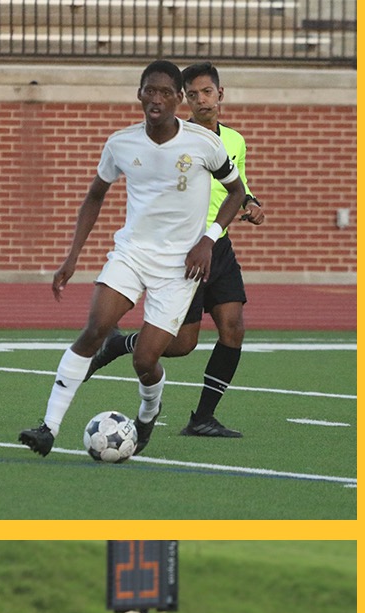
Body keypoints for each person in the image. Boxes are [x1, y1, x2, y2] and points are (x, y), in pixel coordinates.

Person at [19, 61, 246, 459]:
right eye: (149, 91)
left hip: (181, 267)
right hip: (131, 253)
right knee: (93, 330)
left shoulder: (204, 144)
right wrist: (72, 257)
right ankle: (47, 428)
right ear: (139, 94)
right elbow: (95, 196)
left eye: (164, 92)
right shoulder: (121, 143)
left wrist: (208, 241)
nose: (156, 99)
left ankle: (148, 411)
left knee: (147, 358)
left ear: (179, 99)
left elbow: (236, 193)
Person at [86, 62, 266, 438]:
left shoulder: (234, 140)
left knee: (233, 329)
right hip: (187, 253)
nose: (202, 99)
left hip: (219, 247)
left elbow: (236, 185)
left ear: (221, 94)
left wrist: (250, 202)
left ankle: (202, 417)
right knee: (182, 344)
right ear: (185, 99)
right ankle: (119, 344)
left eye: (208, 92)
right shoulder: (179, 140)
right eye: (194, 94)